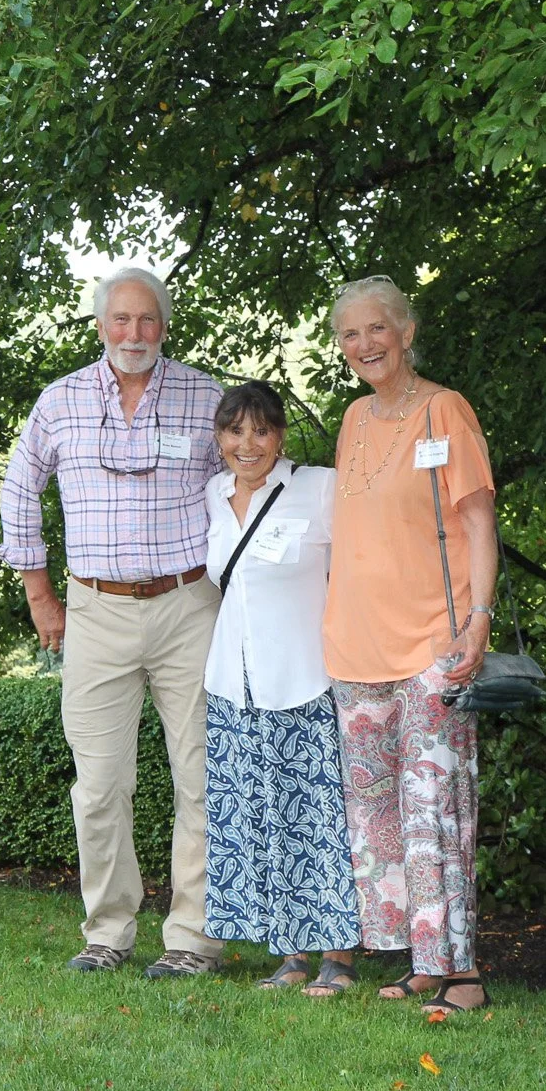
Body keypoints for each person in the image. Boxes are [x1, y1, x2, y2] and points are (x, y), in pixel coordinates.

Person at [0, 265, 226, 979]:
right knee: (99, 784)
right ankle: (108, 932)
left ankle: (192, 939)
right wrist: (41, 596)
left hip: (191, 605)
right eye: (120, 320)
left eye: (147, 319)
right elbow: (16, 490)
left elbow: (248, 485)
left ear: (164, 326)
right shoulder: (60, 401)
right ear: (100, 326)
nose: (134, 333)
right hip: (94, 610)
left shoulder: (204, 396)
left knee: (201, 776)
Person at [321, 276, 500, 1015]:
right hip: (353, 648)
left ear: (407, 330)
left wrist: (478, 617)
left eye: (377, 329)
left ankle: (464, 974)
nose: (365, 344)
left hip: (433, 642)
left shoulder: (445, 409)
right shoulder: (355, 418)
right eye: (350, 334)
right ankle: (421, 960)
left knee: (436, 812)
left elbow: (481, 523)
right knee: (376, 817)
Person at [199, 381, 363, 998]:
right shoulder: (214, 495)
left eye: (261, 431)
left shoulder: (317, 488)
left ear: (280, 435)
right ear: (219, 438)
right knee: (264, 819)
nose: (248, 444)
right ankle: (291, 952)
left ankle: (338, 958)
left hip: (304, 681)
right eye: (235, 431)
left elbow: (364, 566)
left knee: (320, 820)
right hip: (232, 688)